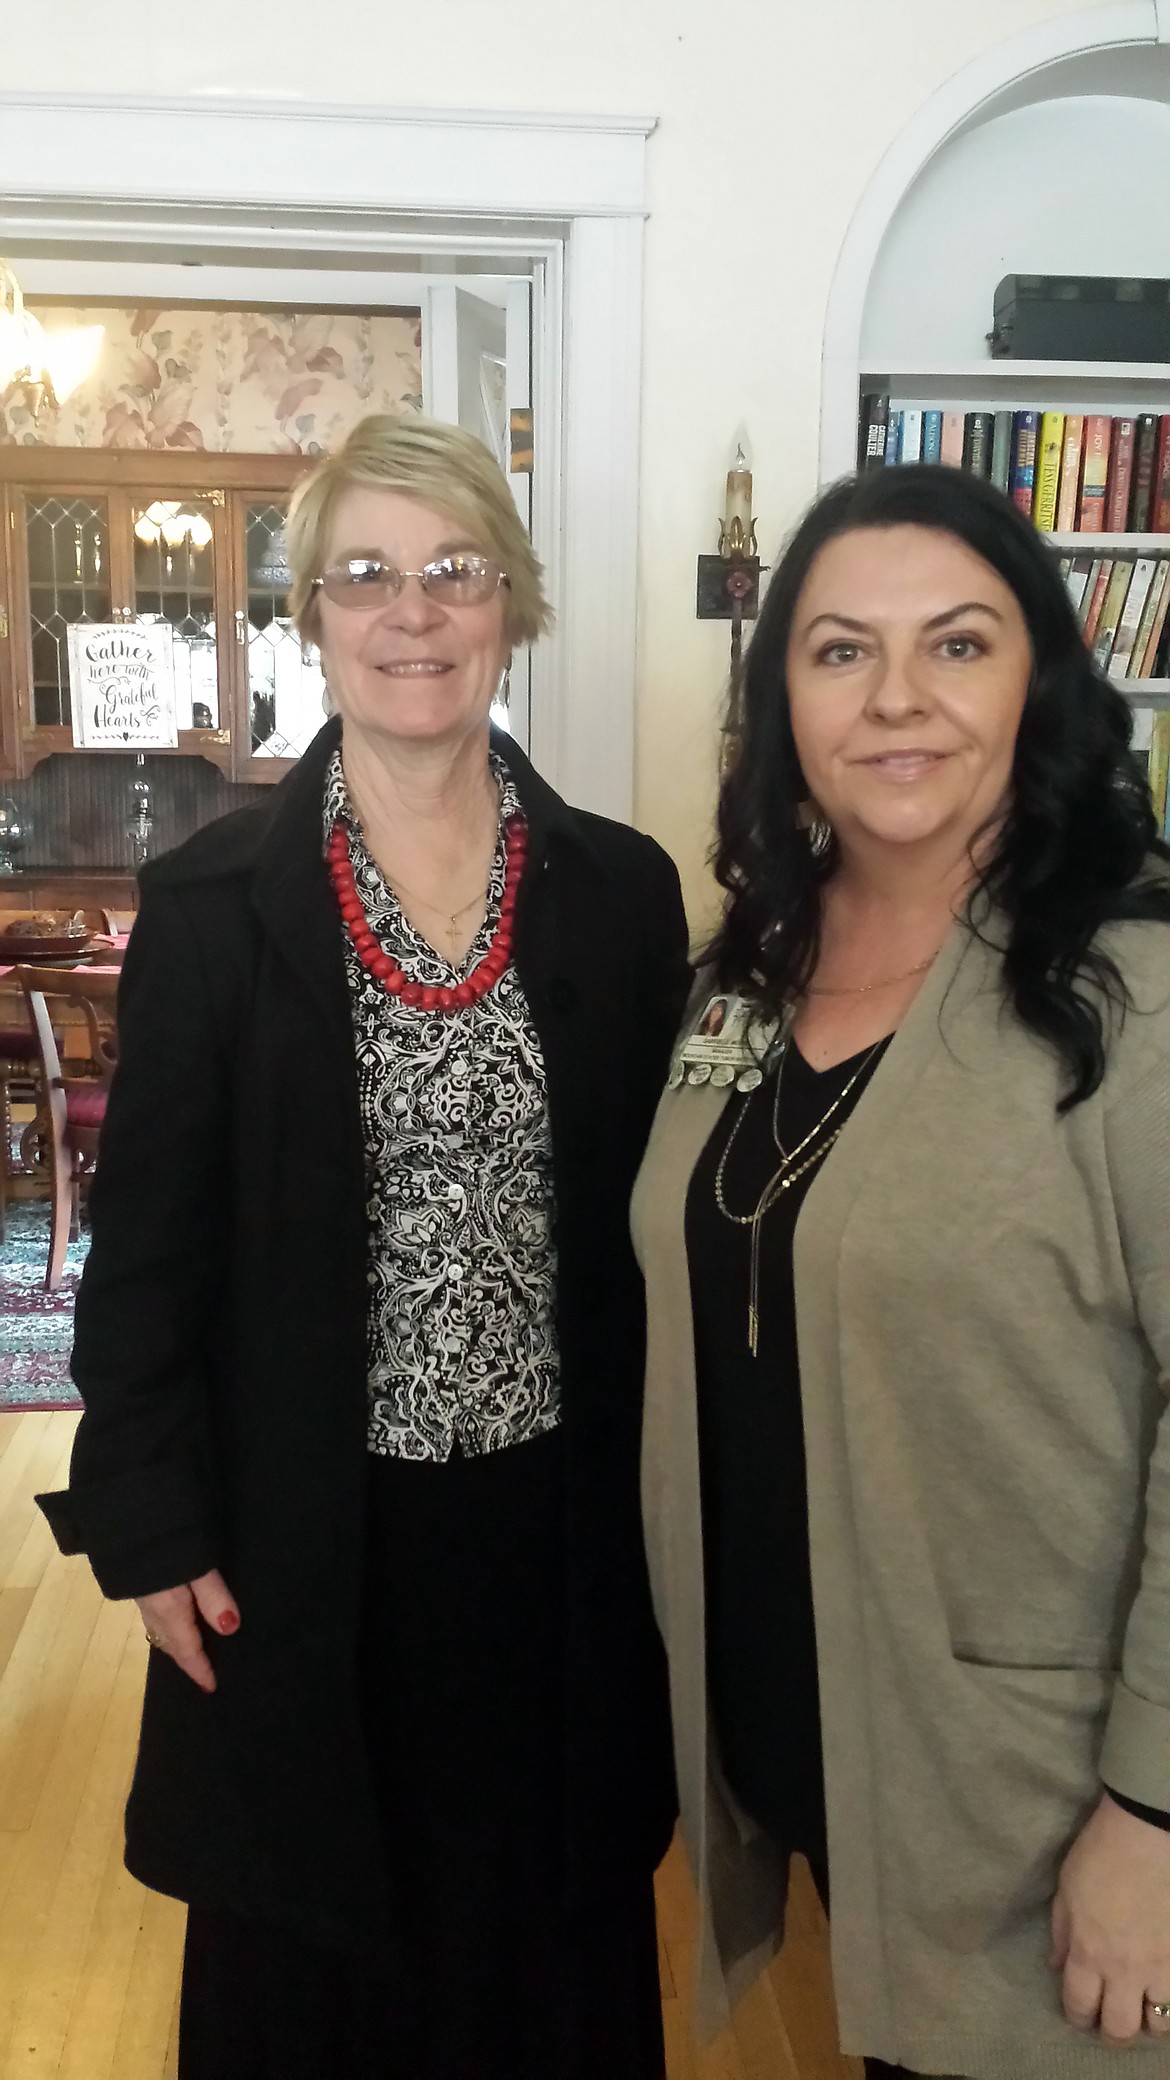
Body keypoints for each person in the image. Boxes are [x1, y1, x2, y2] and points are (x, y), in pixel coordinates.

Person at [38, 412, 689, 2080]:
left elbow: (650, 1234)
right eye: (368, 576)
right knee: (306, 1959)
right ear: (312, 615)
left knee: (539, 1948)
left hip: (553, 1535)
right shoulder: (210, 907)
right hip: (295, 1538)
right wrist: (151, 1523)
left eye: (455, 571)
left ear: (509, 606)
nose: (415, 612)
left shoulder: (622, 898)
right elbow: (150, 1258)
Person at [633, 463, 1170, 2080]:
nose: (896, 702)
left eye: (955, 644)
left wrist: (1152, 1813)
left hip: (1040, 1802)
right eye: (838, 651)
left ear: (1040, 679)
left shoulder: (1133, 993)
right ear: (781, 694)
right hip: (829, 1756)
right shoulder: (738, 979)